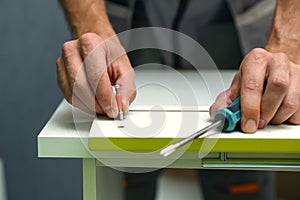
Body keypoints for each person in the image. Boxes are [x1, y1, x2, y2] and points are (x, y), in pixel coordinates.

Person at [56, 0, 300, 199]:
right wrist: (92, 27)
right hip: (133, 20)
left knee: (240, 171)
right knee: (122, 166)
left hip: (237, 24)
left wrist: (287, 46)